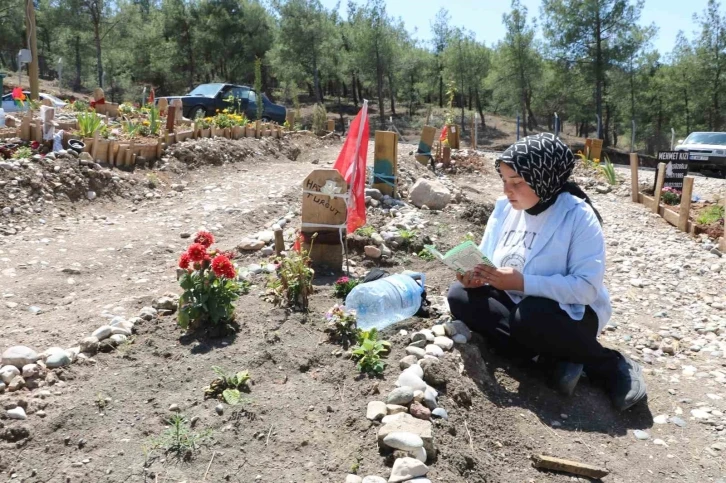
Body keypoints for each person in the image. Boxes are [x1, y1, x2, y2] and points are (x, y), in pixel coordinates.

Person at [447, 133, 647, 411]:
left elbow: (586, 288)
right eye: (504, 181)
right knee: (459, 296)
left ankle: (610, 365)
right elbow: (488, 257)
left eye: (517, 182)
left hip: (566, 314)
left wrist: (523, 282)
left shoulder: (578, 216)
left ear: (545, 177)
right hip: (516, 301)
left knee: (531, 316)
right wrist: (475, 277)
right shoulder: (504, 208)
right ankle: (551, 360)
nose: (507, 190)